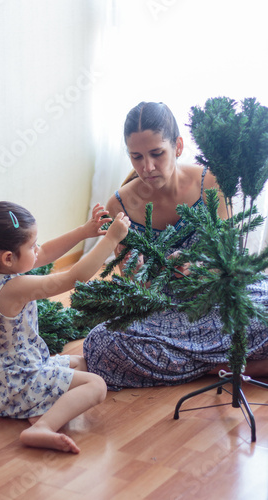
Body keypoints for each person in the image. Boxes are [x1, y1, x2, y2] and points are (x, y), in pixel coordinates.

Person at [83, 101, 268, 390]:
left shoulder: (210, 183)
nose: (147, 167)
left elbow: (229, 258)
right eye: (136, 157)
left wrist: (200, 267)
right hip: (166, 312)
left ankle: (196, 365)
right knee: (100, 344)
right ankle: (224, 366)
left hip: (217, 297)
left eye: (157, 153)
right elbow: (135, 290)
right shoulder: (120, 205)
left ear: (178, 146)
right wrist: (139, 275)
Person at [0, 201, 130, 453]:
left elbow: (42, 255)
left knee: (81, 363)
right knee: (96, 385)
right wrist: (111, 239)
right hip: (18, 383)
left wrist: (84, 231)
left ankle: (37, 409)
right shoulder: (14, 288)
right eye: (32, 245)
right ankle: (43, 427)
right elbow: (72, 278)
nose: (38, 249)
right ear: (8, 258)